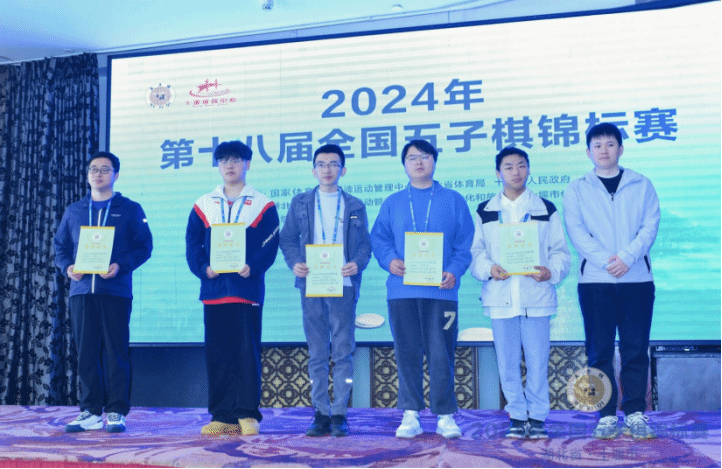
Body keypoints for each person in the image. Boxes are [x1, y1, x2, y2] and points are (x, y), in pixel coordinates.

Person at [370, 139, 474, 439]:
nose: (418, 162)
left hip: (441, 292)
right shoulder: (393, 202)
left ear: (434, 162)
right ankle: (411, 413)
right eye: (412, 158)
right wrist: (390, 260)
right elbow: (379, 239)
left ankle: (445, 414)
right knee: (407, 353)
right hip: (402, 292)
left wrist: (454, 270)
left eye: (425, 156)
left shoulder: (453, 200)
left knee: (442, 353)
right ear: (404, 165)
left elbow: (465, 242)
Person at [563, 123, 660, 440]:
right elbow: (577, 232)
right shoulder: (577, 188)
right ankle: (605, 415)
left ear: (621, 148)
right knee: (599, 352)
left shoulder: (642, 184)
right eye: (597, 145)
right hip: (595, 282)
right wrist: (608, 261)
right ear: (588, 151)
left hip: (637, 280)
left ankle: (634, 413)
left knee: (635, 350)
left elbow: (649, 226)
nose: (604, 150)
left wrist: (628, 258)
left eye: (610, 144)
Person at [469, 147, 570, 439]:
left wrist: (550, 272)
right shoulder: (485, 210)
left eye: (522, 165)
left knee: (538, 362)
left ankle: (537, 417)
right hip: (500, 297)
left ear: (528, 169)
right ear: (498, 173)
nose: (516, 172)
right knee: (507, 363)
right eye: (509, 167)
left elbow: (560, 252)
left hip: (536, 297)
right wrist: (489, 269)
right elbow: (476, 252)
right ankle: (516, 415)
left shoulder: (545, 208)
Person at [185, 140, 280, 436]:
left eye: (236, 160)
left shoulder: (262, 204)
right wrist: (203, 268)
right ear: (218, 166)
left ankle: (247, 414)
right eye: (224, 160)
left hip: (245, 290)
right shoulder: (204, 204)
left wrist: (254, 265)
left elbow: (271, 243)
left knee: (246, 354)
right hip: (214, 292)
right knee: (217, 355)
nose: (229, 165)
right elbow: (192, 243)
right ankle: (222, 415)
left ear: (247, 164)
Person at [54, 151, 153, 433]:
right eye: (93, 169)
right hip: (81, 292)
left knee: (116, 353)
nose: (98, 174)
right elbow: (60, 246)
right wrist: (67, 267)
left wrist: (121, 266)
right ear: (88, 175)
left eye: (105, 169)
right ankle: (90, 411)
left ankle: (116, 411)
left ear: (116, 175)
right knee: (86, 353)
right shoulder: (74, 210)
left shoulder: (130, 209)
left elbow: (144, 247)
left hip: (115, 291)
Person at [279, 144, 372, 437]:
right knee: (317, 352)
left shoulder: (355, 205)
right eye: (321, 164)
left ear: (343, 170)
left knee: (343, 352)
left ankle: (340, 413)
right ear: (313, 170)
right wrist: (295, 263)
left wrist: (357, 264)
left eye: (333, 164)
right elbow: (287, 239)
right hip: (312, 285)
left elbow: (365, 245)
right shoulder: (300, 203)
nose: (327, 169)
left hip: (343, 286)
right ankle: (320, 413)